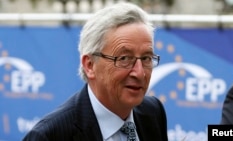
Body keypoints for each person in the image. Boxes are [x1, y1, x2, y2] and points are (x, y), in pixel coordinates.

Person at [22, 2, 168, 141]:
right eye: (124, 58)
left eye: (146, 58)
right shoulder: (49, 136)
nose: (139, 73)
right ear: (90, 65)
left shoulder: (153, 112)